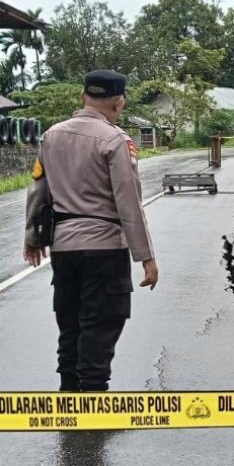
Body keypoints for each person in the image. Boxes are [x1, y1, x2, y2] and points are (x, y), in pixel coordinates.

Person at [23, 69, 159, 392]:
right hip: (104, 252)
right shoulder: (116, 141)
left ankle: (68, 396)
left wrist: (32, 238)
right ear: (117, 102)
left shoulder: (50, 136)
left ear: (83, 97)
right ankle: (93, 410)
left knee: (70, 328)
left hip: (64, 251)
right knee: (99, 328)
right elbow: (129, 203)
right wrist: (147, 257)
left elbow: (38, 192)